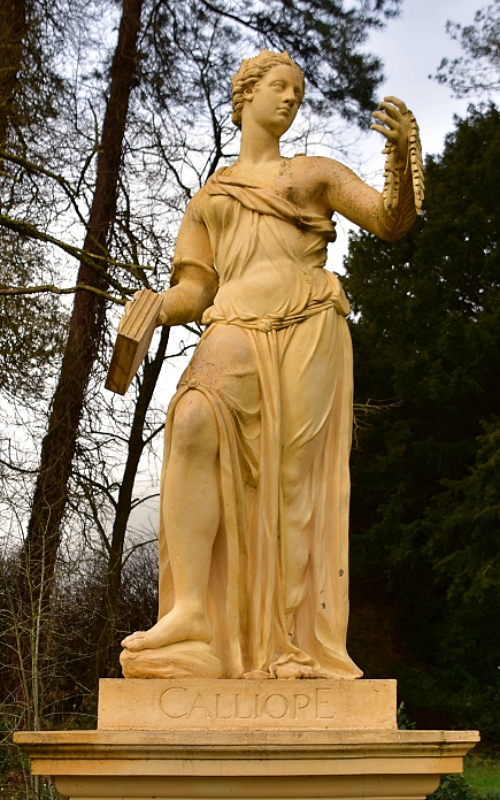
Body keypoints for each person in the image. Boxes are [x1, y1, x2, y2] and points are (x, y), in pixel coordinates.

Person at [120, 50, 423, 680]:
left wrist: (402, 158)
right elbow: (197, 288)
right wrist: (155, 306)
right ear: (246, 95)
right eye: (279, 87)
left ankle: (289, 645)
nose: (290, 99)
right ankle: (193, 615)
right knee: (195, 420)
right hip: (233, 319)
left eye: (299, 91)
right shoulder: (210, 197)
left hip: (310, 321)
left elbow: (389, 221)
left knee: (292, 482)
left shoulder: (314, 173)